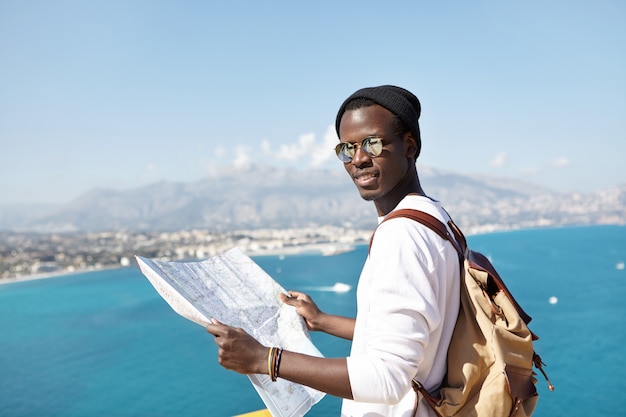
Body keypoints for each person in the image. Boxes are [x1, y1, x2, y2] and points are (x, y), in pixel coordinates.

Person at [206, 85, 461, 417]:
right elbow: (410, 334)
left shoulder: (401, 236)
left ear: (409, 145)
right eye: (347, 148)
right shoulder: (434, 218)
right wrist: (323, 321)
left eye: (372, 143)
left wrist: (264, 358)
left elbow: (387, 379)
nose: (358, 159)